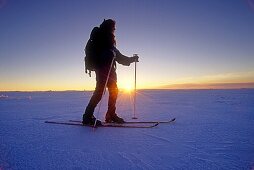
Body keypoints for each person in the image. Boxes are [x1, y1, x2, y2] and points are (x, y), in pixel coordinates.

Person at [83, 19, 139, 126]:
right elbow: (112, 55)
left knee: (114, 91)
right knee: (99, 93)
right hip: (103, 70)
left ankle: (110, 114)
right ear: (109, 27)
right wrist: (107, 56)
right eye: (113, 27)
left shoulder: (108, 40)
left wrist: (132, 59)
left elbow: (118, 57)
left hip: (110, 71)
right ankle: (87, 117)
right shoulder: (101, 38)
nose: (114, 29)